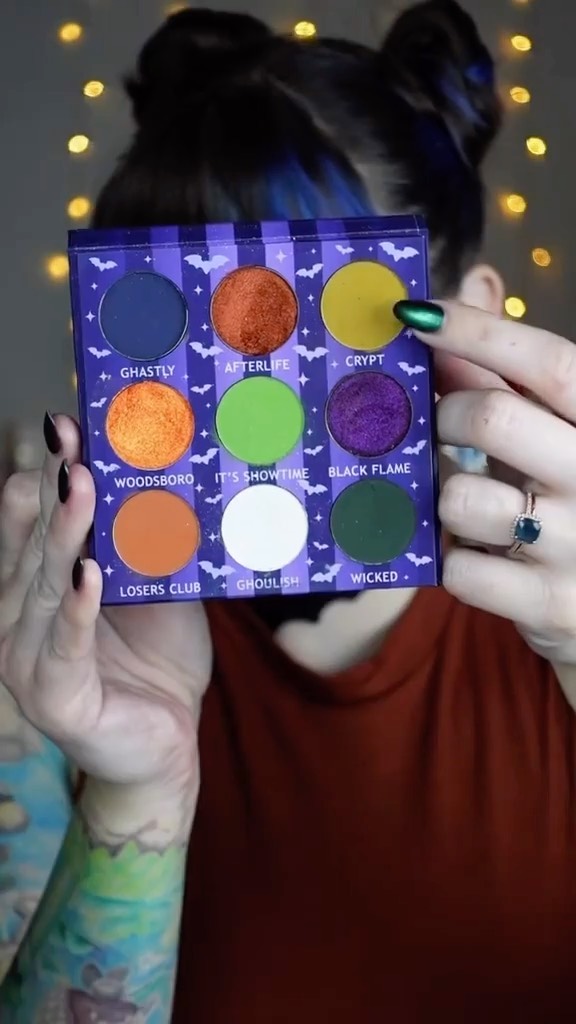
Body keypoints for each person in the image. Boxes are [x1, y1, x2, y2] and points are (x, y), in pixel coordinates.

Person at [1, 2, 576, 1020]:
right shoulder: (56, 654)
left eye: (341, 319)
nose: (252, 387)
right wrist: (140, 789)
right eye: (187, 327)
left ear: (475, 316)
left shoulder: (550, 632)